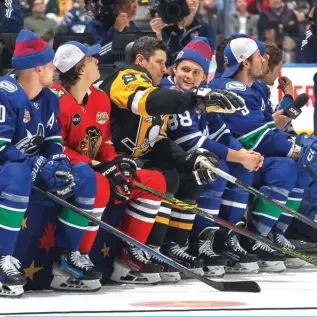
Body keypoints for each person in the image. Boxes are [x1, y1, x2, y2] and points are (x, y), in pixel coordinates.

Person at [96, 36, 245, 279]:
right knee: (164, 178)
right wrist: (196, 101)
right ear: (140, 60)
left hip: (130, 158)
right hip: (107, 159)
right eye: (160, 62)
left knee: (185, 174)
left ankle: (163, 248)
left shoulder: (158, 90)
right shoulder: (127, 76)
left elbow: (156, 140)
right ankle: (135, 253)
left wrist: (188, 158)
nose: (164, 69)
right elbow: (145, 102)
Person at [52, 40, 168, 285]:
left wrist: (117, 162)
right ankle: (73, 257)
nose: (97, 62)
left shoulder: (100, 98)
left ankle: (130, 256)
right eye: (92, 58)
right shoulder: (55, 100)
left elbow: (104, 142)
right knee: (98, 184)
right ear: (80, 68)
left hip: (96, 166)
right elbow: (56, 148)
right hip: (68, 171)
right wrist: (97, 165)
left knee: (153, 180)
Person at [0, 29, 102, 297]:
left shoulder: (48, 99)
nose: (54, 70)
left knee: (82, 175)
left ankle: (67, 257)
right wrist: (33, 164)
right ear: (36, 69)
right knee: (17, 173)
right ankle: (2, 258)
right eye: (48, 65)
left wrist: (55, 159)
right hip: (9, 167)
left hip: (28, 164)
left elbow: (53, 138)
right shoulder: (5, 94)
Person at [161, 36, 264, 275]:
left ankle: (224, 238)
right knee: (217, 170)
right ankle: (199, 240)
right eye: (184, 69)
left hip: (195, 156)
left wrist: (243, 153)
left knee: (240, 170)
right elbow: (190, 140)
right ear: (174, 68)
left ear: (204, 76)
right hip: (174, 158)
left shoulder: (201, 94)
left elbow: (220, 131)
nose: (189, 75)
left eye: (196, 72)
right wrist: (239, 157)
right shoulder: (170, 92)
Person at [209, 37, 312, 269]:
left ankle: (272, 234)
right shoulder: (228, 88)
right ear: (246, 62)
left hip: (252, 155)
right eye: (260, 56)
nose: (264, 60)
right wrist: (297, 149)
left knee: (298, 167)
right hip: (235, 157)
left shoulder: (256, 88)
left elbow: (271, 125)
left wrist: (289, 103)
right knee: (287, 164)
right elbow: (255, 137)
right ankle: (243, 237)